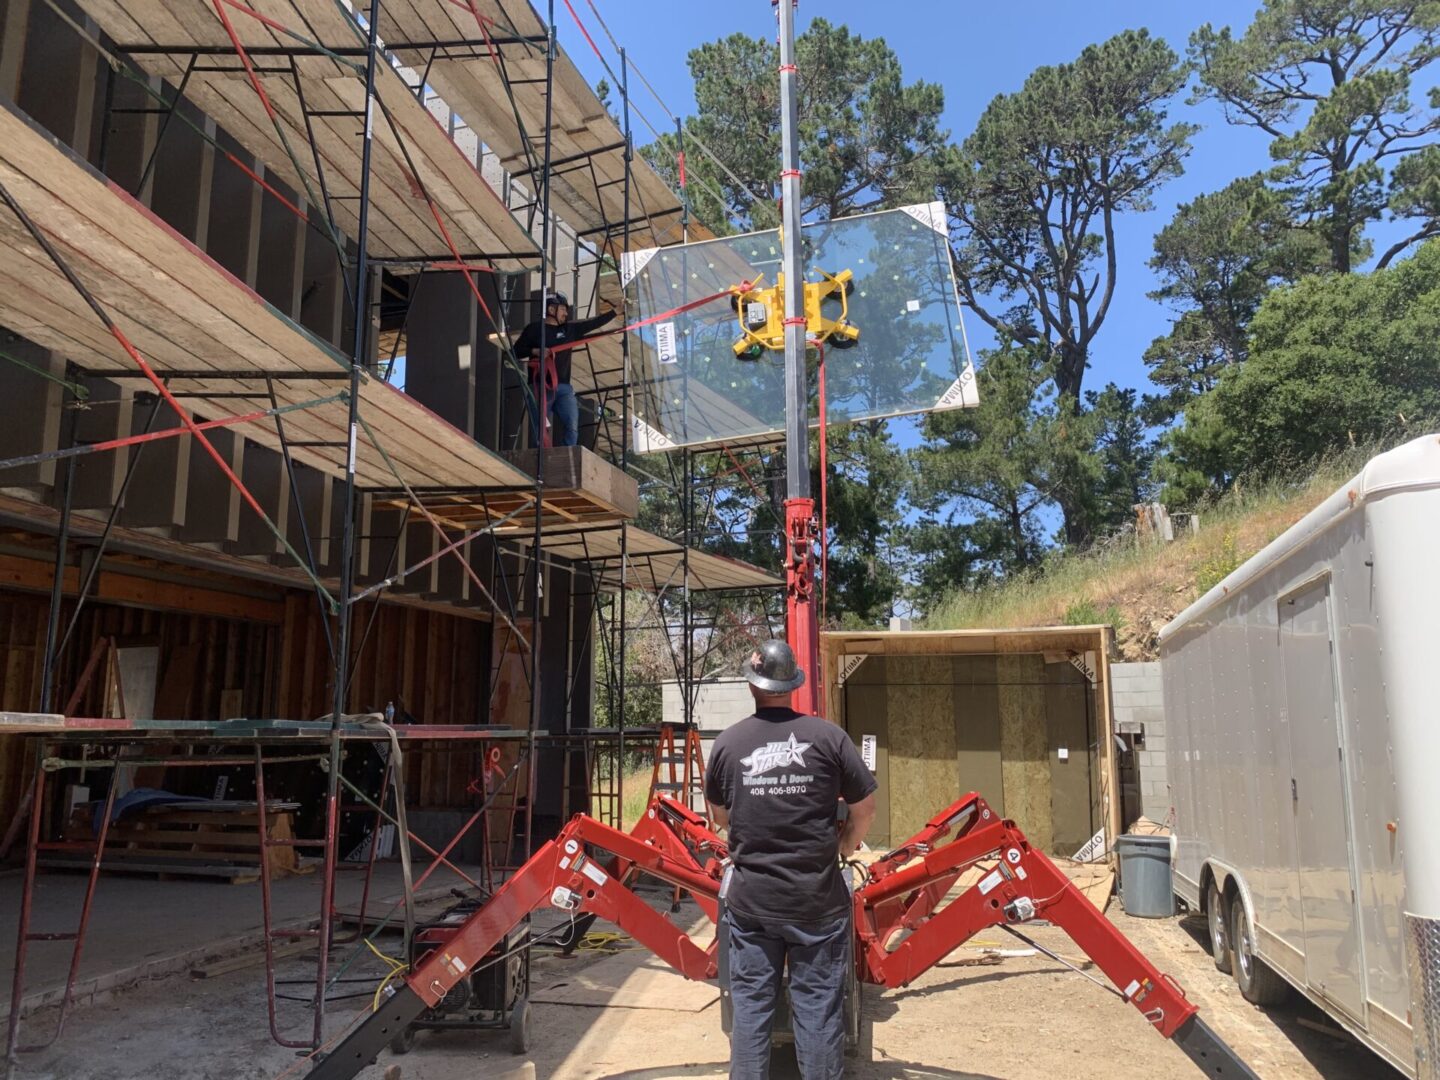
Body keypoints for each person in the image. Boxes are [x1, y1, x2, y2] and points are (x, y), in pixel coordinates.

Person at [704, 639, 878, 1080]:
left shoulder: (728, 744)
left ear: (752, 685)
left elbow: (720, 817)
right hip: (816, 901)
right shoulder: (828, 737)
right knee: (817, 1009)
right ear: (794, 685)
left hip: (752, 905)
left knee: (750, 1007)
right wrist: (844, 847)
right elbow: (864, 808)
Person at [510, 291, 619, 448]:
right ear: (551, 310)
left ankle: (567, 456)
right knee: (541, 430)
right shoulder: (534, 329)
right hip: (540, 387)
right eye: (563, 309)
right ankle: (542, 461)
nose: (566, 313)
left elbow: (594, 323)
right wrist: (535, 351)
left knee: (572, 426)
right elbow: (515, 352)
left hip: (564, 388)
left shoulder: (569, 330)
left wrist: (616, 312)